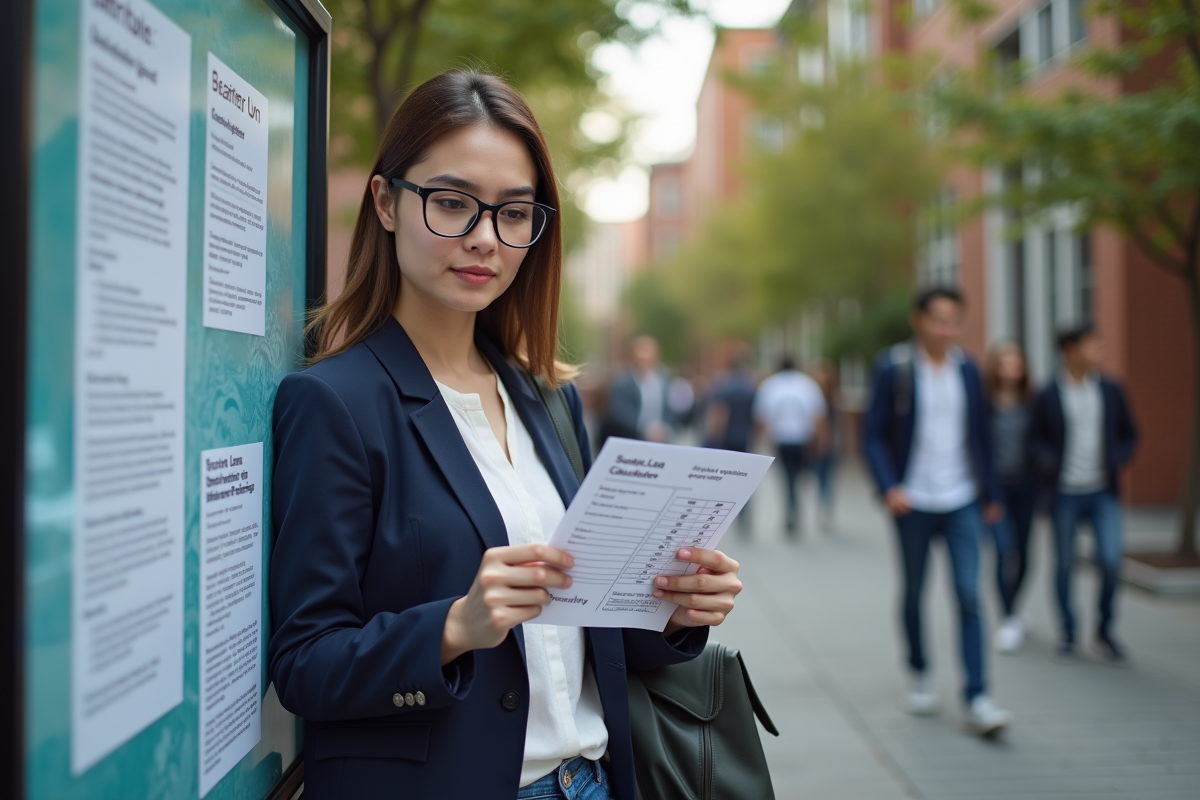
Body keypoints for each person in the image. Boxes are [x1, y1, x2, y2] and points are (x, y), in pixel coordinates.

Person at [267, 71, 745, 800]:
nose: (486, 239)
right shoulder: (334, 402)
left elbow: (588, 635)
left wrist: (672, 611)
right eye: (453, 203)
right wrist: (454, 626)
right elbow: (304, 662)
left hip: (593, 781)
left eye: (514, 213)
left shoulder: (547, 397)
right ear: (387, 202)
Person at [861, 287, 1012, 737]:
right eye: (938, 319)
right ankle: (920, 672)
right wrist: (889, 487)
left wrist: (991, 493)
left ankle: (978, 695)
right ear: (919, 320)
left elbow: (981, 436)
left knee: (969, 594)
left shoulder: (969, 369)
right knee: (914, 590)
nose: (946, 329)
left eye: (953, 320)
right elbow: (872, 433)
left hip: (963, 498)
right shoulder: (894, 368)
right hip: (913, 502)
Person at [1029, 325, 1138, 664]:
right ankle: (1068, 630)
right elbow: (1034, 439)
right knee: (1063, 564)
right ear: (1070, 351)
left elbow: (1131, 433)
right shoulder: (1048, 393)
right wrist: (1046, 461)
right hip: (1064, 493)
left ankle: (1104, 628)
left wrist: (1118, 458)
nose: (1099, 353)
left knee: (1110, 560)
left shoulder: (1111, 389)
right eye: (1093, 346)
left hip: (1102, 490)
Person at [983, 342, 1038, 654]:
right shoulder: (985, 403)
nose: (1010, 368)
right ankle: (1007, 616)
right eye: (1004, 362)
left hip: (1027, 487)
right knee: (1005, 552)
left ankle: (1015, 605)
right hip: (997, 490)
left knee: (1026, 555)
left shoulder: (1032, 402)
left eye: (1015, 362)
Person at [754, 355, 827, 537]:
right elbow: (817, 415)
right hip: (802, 437)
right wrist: (818, 440)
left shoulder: (771, 385)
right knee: (798, 476)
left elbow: (762, 416)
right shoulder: (807, 384)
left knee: (787, 477)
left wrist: (763, 438)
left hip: (781, 438)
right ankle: (795, 509)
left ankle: (791, 512)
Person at [704, 346, 758, 535]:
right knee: (745, 480)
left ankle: (723, 518)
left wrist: (713, 437)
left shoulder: (724, 387)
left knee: (725, 480)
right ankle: (745, 517)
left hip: (727, 440)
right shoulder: (750, 388)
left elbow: (719, 414)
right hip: (745, 438)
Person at [599, 335, 670, 445]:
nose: (643, 355)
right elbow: (620, 413)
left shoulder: (666, 381)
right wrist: (647, 430)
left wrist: (664, 429)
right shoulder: (621, 382)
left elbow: (671, 409)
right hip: (631, 441)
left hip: (660, 443)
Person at [810, 360, 840, 531]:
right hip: (828, 444)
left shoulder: (821, 400)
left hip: (825, 445)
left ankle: (825, 509)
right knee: (824, 478)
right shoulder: (831, 398)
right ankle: (825, 509)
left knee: (824, 478)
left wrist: (822, 443)